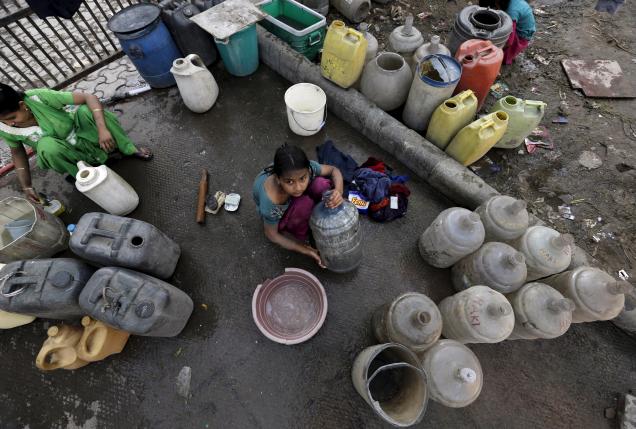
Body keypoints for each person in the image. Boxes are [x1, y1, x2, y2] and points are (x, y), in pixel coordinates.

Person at [0, 83, 152, 203]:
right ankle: (85, 174)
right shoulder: (5, 127)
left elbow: (89, 97)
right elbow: (17, 152)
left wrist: (102, 129)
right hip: (68, 154)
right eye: (3, 120)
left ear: (22, 105)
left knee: (86, 111)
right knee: (47, 147)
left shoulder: (38, 97)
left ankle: (128, 149)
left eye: (12, 117)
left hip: (83, 135)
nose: (10, 124)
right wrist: (26, 186)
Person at [253, 144, 344, 267]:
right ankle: (304, 231)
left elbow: (334, 170)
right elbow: (271, 234)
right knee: (304, 206)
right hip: (280, 216)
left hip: (293, 194)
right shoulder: (271, 203)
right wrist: (305, 249)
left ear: (307, 171)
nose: (298, 187)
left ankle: (318, 213)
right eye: (289, 182)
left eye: (303, 178)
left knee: (321, 185)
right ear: (278, 179)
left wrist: (338, 191)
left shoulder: (306, 168)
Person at [479, 0, 536, 65]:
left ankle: (506, 59)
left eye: (493, 8)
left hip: (522, 35)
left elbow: (509, 42)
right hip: (520, 23)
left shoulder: (511, 13)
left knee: (501, 56)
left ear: (496, 3)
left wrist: (492, 50)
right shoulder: (506, 3)